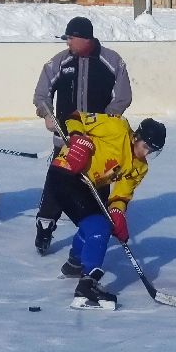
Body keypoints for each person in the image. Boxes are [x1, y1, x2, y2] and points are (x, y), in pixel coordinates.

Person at [31, 16, 132, 255]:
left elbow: (123, 96)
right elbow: (41, 94)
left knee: (96, 192)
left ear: (85, 39)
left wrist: (105, 121)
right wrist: (46, 114)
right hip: (66, 142)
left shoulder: (112, 60)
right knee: (56, 188)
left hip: (100, 145)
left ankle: (90, 234)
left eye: (71, 39)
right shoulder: (59, 62)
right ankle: (45, 225)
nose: (68, 43)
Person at [43, 112, 166, 310]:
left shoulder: (140, 168)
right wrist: (77, 139)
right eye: (145, 147)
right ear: (136, 136)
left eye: (152, 151)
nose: (146, 154)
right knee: (98, 228)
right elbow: (75, 116)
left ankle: (75, 263)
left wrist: (118, 213)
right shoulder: (117, 127)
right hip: (65, 172)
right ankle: (86, 288)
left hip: (85, 185)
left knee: (98, 222)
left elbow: (121, 196)